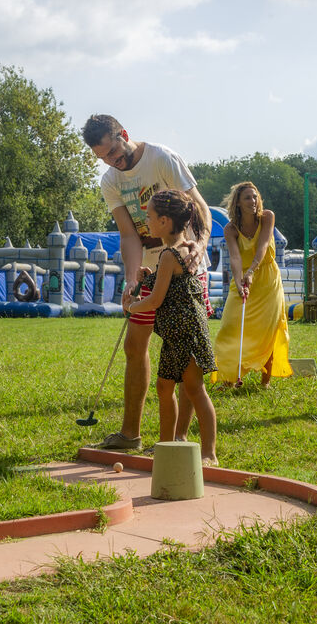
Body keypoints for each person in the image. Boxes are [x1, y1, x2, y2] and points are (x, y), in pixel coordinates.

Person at [82, 115, 213, 451]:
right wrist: (130, 278)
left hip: (185, 263)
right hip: (151, 266)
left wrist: (198, 245)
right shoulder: (110, 181)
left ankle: (179, 439)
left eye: (115, 152)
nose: (114, 162)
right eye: (104, 158)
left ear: (123, 135)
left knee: (184, 352)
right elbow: (128, 235)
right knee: (134, 345)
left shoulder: (162, 158)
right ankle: (130, 434)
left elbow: (200, 208)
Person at [125, 190, 218, 464]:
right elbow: (169, 285)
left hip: (187, 333)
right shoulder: (183, 249)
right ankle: (167, 446)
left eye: (150, 217)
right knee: (165, 388)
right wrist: (149, 276)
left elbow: (155, 301)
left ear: (165, 221)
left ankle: (209, 453)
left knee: (194, 389)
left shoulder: (169, 255)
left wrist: (131, 306)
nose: (146, 223)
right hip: (174, 335)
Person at [213, 181, 292, 387]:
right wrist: (239, 281)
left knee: (267, 329)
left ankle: (265, 381)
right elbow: (235, 258)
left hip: (266, 278)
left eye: (255, 196)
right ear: (238, 203)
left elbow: (263, 246)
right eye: (247, 197)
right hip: (241, 278)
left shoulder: (267, 217)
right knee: (230, 325)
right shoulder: (230, 228)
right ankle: (229, 378)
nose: (253, 201)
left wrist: (252, 271)